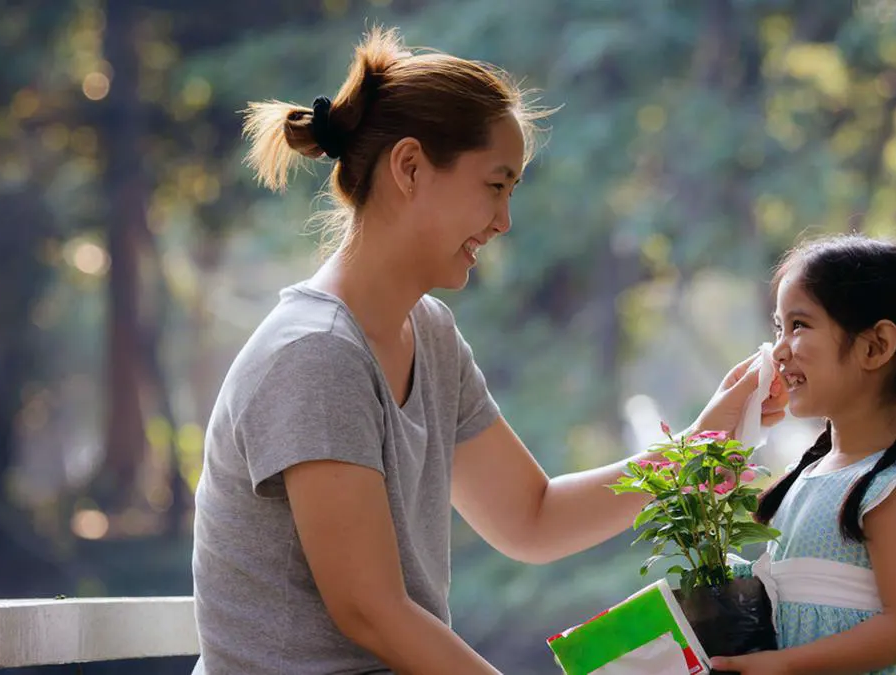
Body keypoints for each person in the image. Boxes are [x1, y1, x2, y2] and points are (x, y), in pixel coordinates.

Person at [189, 25, 786, 675]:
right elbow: (370, 609)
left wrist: (696, 446)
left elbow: (532, 517)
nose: (504, 221)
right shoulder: (316, 354)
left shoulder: (432, 334)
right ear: (410, 167)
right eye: (495, 185)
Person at [710, 234, 896, 675]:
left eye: (799, 325)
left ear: (874, 346)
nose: (779, 350)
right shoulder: (802, 477)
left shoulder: (887, 488)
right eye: (778, 328)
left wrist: (786, 665)